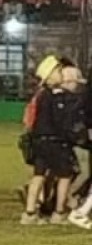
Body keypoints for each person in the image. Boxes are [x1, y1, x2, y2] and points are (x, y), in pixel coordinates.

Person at [21, 57, 85, 225]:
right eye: (57, 71)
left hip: (39, 140)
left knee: (38, 175)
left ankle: (29, 212)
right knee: (65, 176)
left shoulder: (40, 95)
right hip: (55, 141)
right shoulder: (56, 96)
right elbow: (61, 122)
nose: (61, 74)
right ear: (49, 77)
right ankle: (59, 212)